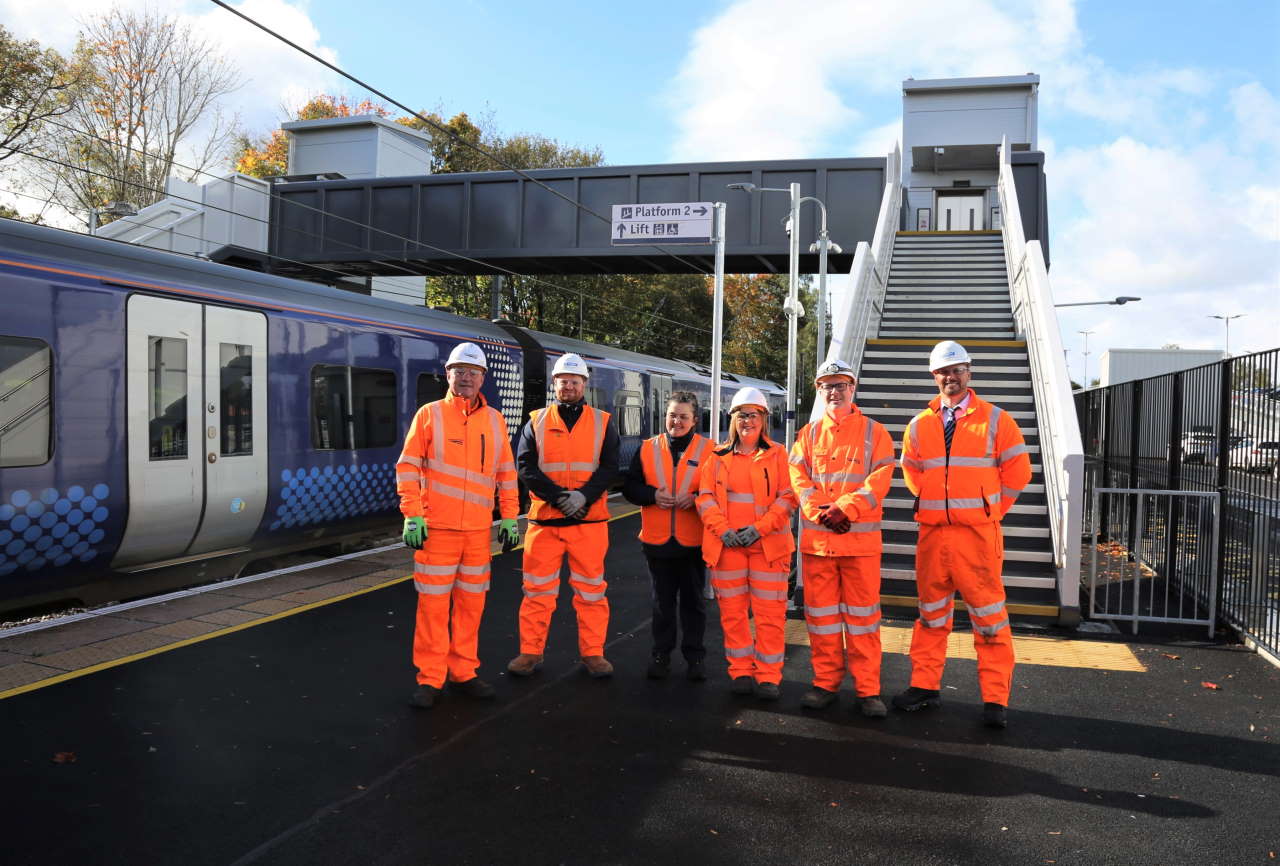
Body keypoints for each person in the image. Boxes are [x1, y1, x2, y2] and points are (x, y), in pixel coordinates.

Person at [894, 340, 1031, 728]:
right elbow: (911, 470)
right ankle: (924, 686)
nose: (950, 377)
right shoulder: (920, 424)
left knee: (989, 618)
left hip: (977, 536)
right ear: (933, 376)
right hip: (934, 535)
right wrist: (934, 501)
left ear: (969, 372)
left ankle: (995, 699)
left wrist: (989, 511)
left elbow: (1019, 473)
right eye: (943, 371)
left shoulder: (996, 419)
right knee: (931, 615)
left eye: (957, 370)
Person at [397, 342, 521, 709]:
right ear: (447, 375)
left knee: (471, 605)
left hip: (477, 533)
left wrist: (511, 517)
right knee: (433, 608)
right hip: (436, 530)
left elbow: (506, 474)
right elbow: (407, 466)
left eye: (473, 372)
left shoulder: (495, 420)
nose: (466, 378)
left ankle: (463, 672)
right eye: (459, 371)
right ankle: (430, 678)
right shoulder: (429, 415)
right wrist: (413, 514)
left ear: (483, 378)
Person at [788, 359, 895, 718]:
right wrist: (822, 511)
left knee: (863, 620)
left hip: (859, 548)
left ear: (853, 388)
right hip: (820, 546)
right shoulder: (808, 434)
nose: (834, 391)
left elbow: (880, 476)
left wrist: (846, 508)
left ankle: (868, 690)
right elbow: (798, 479)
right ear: (819, 391)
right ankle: (825, 683)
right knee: (822, 620)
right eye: (827, 386)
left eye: (840, 385)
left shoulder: (874, 432)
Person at [508, 353, 620, 678]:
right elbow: (525, 466)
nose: (568, 386)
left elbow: (610, 467)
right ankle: (530, 653)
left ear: (584, 384)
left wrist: (583, 496)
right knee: (536, 592)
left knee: (591, 593)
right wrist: (559, 497)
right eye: (563, 381)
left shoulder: (603, 421)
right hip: (546, 522)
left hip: (589, 522)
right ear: (554, 384)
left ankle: (593, 654)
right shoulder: (536, 421)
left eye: (574, 381)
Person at [695, 386, 797, 700]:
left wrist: (760, 528)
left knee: (769, 616)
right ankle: (740, 672)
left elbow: (788, 496)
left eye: (753, 415)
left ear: (764, 419)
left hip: (767, 547)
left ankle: (768, 677)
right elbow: (705, 497)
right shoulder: (716, 456)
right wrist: (723, 530)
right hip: (727, 548)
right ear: (733, 419)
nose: (747, 421)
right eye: (741, 415)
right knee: (734, 614)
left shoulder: (779, 454)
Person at [622, 391, 713, 681]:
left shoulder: (710, 450)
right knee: (661, 605)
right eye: (672, 415)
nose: (677, 421)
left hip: (693, 543)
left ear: (695, 420)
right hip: (657, 542)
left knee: (693, 604)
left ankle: (695, 658)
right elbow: (630, 487)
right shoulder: (647, 448)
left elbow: (721, 491)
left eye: (684, 416)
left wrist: (696, 498)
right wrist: (652, 495)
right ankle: (660, 656)